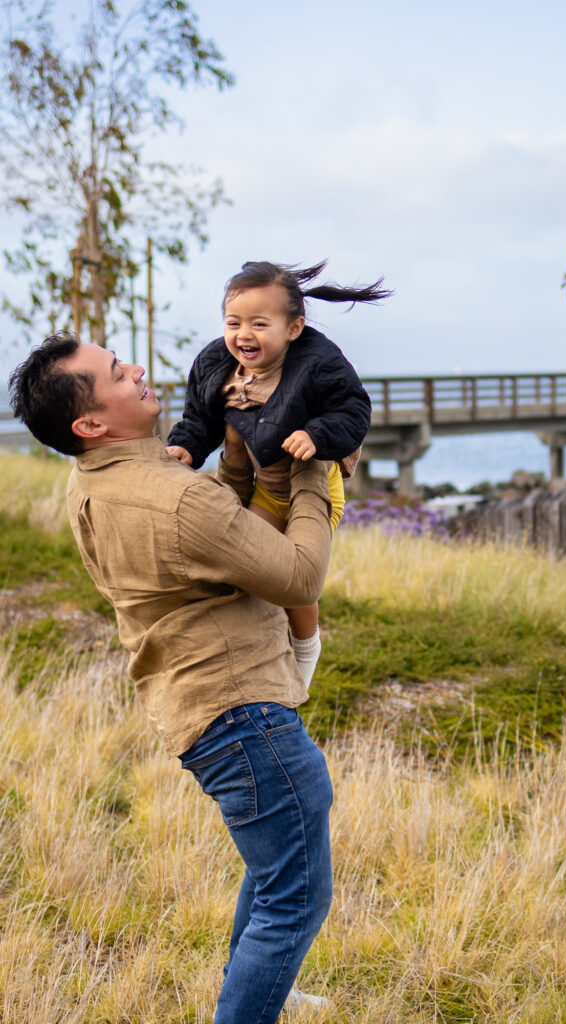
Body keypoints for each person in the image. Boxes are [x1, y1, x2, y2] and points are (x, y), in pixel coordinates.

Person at [8, 332, 337, 1024]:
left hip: (196, 711)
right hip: (244, 712)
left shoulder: (92, 483)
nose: (136, 370)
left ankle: (256, 990)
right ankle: (246, 1007)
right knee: (295, 896)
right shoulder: (176, 498)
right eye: (115, 374)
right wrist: (314, 470)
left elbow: (210, 532)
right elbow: (302, 574)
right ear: (90, 424)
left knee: (274, 871)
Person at [167, 260, 391, 688]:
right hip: (267, 489)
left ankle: (307, 646)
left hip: (312, 484)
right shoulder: (216, 363)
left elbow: (353, 408)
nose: (243, 335)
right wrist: (187, 446)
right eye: (233, 322)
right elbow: (200, 417)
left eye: (259, 323)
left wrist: (316, 433)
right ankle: (259, 648)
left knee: (293, 577)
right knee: (252, 565)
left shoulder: (317, 361)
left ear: (293, 328)